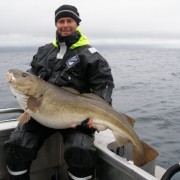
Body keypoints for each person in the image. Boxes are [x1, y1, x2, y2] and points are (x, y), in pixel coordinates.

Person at [4, 4, 114, 180]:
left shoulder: (91, 55)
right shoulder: (44, 50)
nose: (65, 25)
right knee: (18, 145)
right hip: (40, 111)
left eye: (69, 20)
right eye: (60, 21)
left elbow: (104, 85)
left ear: (77, 23)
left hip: (77, 116)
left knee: (81, 152)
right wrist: (18, 82)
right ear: (56, 24)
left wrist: (92, 118)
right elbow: (31, 75)